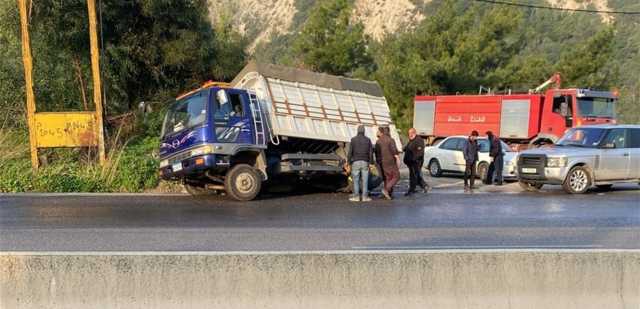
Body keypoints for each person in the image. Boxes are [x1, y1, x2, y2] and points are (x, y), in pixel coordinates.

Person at [348, 125, 373, 202]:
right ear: (364, 131)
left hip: (355, 162)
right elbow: (370, 152)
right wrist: (371, 162)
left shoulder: (353, 140)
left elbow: (350, 152)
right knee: (365, 180)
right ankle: (365, 197)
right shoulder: (368, 140)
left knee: (356, 180)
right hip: (365, 161)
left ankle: (356, 197)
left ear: (357, 131)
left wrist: (349, 161)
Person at [375, 126, 400, 200]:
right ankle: (386, 190)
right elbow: (394, 151)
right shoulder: (390, 140)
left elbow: (376, 153)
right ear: (388, 132)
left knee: (388, 178)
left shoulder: (378, 141)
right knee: (396, 176)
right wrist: (398, 159)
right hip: (390, 161)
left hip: (382, 162)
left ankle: (389, 193)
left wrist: (379, 162)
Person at [403, 128, 429, 196]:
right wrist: (404, 148)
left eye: (411, 133)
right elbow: (408, 147)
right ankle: (424, 186)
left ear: (414, 133)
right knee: (415, 176)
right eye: (409, 133)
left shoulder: (419, 140)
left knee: (413, 176)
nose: (409, 135)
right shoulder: (411, 140)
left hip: (416, 162)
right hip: (410, 162)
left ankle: (411, 190)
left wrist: (414, 159)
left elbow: (420, 153)